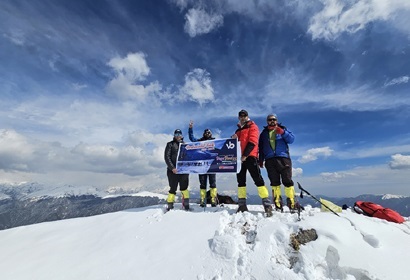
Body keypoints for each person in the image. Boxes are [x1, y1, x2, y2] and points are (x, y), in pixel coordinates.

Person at [231, 109, 273, 216]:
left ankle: (267, 204)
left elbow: (253, 141)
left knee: (258, 180)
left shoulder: (253, 126)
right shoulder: (238, 131)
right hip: (240, 159)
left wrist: (245, 155)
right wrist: (233, 139)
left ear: (247, 116)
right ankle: (242, 205)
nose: (242, 117)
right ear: (238, 117)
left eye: (244, 115)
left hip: (250, 157)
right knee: (241, 181)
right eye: (240, 116)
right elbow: (235, 145)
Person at [258, 113, 297, 211]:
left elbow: (291, 140)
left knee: (287, 181)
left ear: (276, 121)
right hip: (269, 159)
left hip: (283, 158)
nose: (272, 121)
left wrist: (283, 133)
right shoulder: (263, 133)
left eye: (274, 119)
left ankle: (292, 203)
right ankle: (278, 203)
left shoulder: (283, 129)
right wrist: (261, 160)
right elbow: (261, 147)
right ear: (267, 121)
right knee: (274, 182)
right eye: (270, 119)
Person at [188, 120, 217, 207]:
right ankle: (202, 200)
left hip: (212, 166)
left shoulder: (215, 141)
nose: (207, 134)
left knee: (213, 184)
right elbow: (192, 139)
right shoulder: (200, 141)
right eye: (206, 133)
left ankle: (213, 200)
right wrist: (190, 128)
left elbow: (224, 145)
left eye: (209, 133)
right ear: (204, 134)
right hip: (201, 167)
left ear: (211, 134)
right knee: (203, 184)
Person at [164, 129, 190, 211]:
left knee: (184, 189)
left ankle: (186, 205)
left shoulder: (186, 145)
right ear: (174, 135)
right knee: (172, 189)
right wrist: (172, 168)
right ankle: (170, 206)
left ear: (182, 135)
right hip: (172, 172)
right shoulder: (170, 144)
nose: (178, 135)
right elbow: (167, 157)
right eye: (176, 134)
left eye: (179, 134)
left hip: (183, 171)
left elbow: (190, 157)